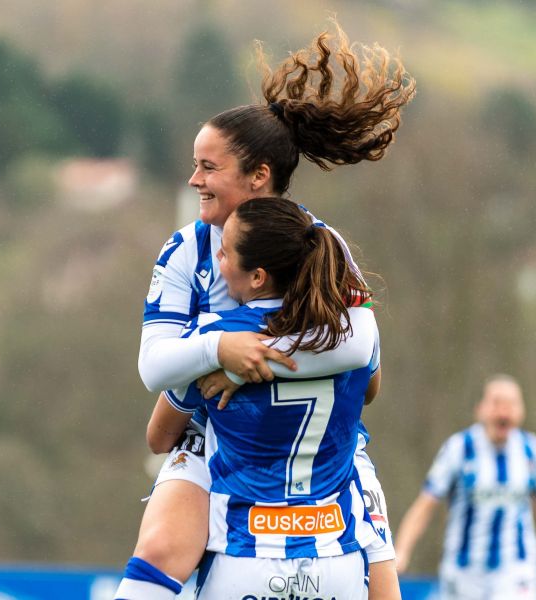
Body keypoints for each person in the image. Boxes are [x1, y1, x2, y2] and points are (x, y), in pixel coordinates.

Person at [115, 20, 415, 600]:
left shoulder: (319, 244)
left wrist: (243, 361)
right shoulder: (183, 250)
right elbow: (156, 370)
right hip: (210, 434)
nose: (192, 179)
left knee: (382, 578)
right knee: (159, 551)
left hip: (324, 444)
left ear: (259, 177)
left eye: (208, 167)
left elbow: (366, 364)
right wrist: (219, 350)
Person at [152, 197, 397, 598]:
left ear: (257, 277)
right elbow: (371, 391)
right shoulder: (351, 333)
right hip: (336, 561)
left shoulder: (211, 336)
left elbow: (159, 437)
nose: (217, 257)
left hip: (243, 558)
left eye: (226, 252)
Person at [393, 374, 536, 600]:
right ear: (481, 409)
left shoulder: (531, 450)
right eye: (496, 403)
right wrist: (402, 550)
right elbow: (426, 504)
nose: (503, 411)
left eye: (511, 404)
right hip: (463, 571)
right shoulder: (459, 449)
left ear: (522, 411)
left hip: (516, 569)